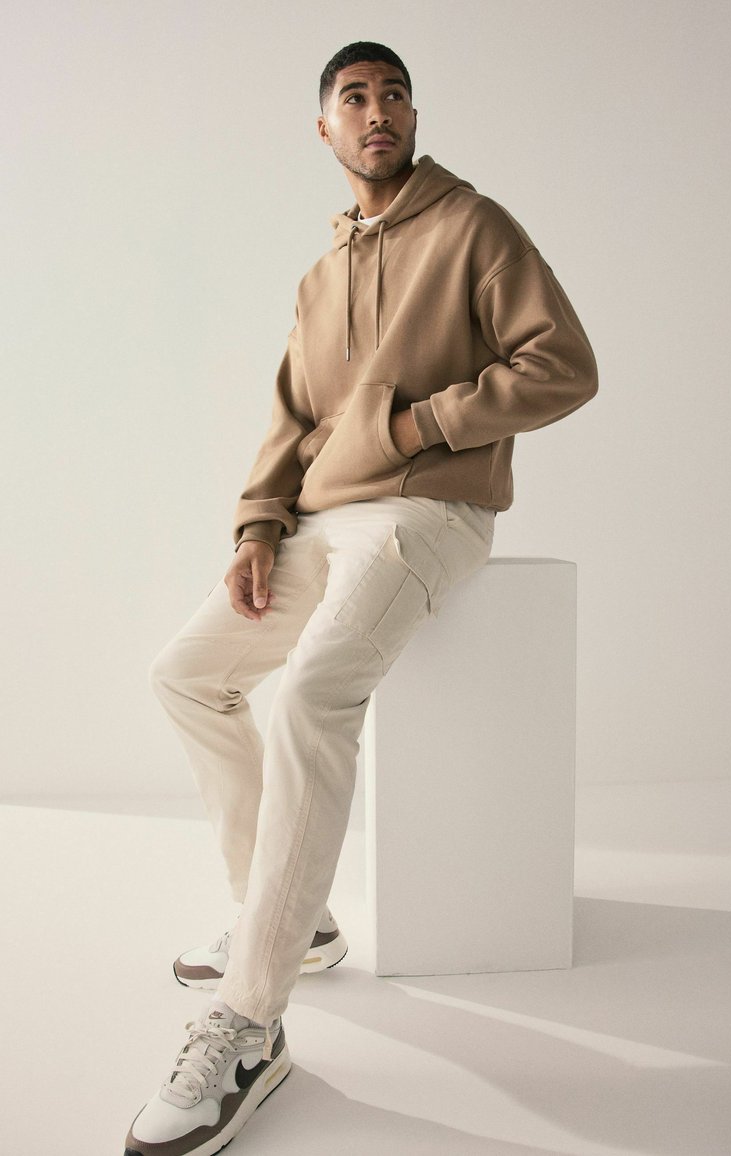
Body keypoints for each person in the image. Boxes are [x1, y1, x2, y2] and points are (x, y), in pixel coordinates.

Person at [123, 39, 598, 1156]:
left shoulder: (474, 226)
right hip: (323, 522)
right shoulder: (321, 272)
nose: (375, 110)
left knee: (309, 699)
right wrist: (257, 525)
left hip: (429, 511)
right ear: (326, 129)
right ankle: (288, 919)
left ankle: (249, 1021)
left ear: (413, 117)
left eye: (393, 95)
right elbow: (291, 418)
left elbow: (563, 363)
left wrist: (422, 425)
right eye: (353, 97)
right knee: (186, 676)